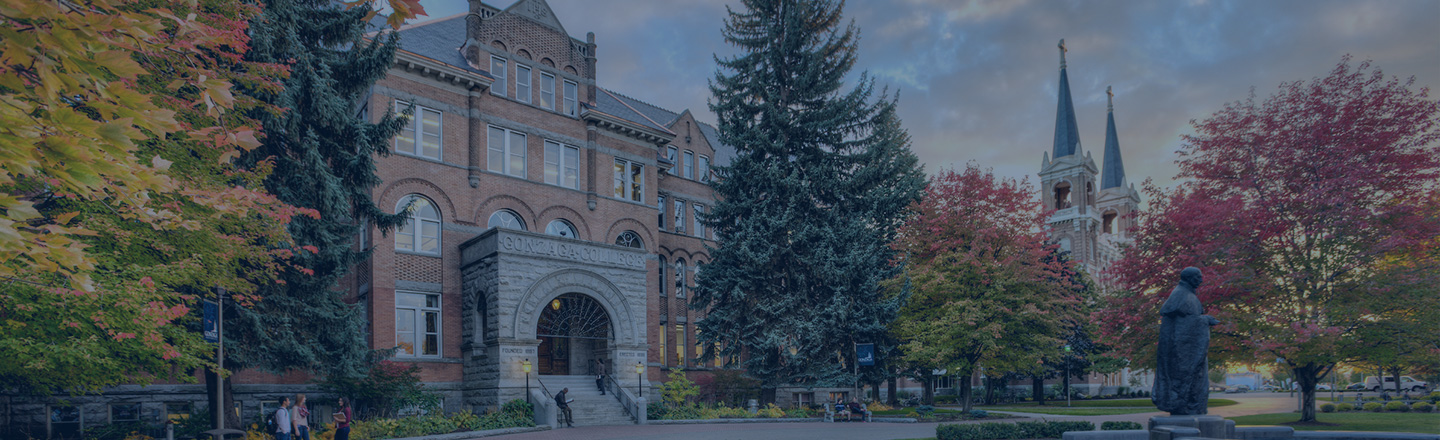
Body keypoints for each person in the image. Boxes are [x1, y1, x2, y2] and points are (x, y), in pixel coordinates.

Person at [1152, 267, 1220, 415]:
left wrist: (1202, 320)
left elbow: (1189, 321)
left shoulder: (1189, 295)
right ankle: (1184, 407)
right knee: (1184, 381)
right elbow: (1183, 327)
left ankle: (1193, 407)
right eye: (1198, 277)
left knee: (1198, 380)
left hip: (1188, 351)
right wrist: (1204, 320)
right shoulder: (1180, 294)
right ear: (1189, 278)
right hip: (1181, 353)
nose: (1201, 281)